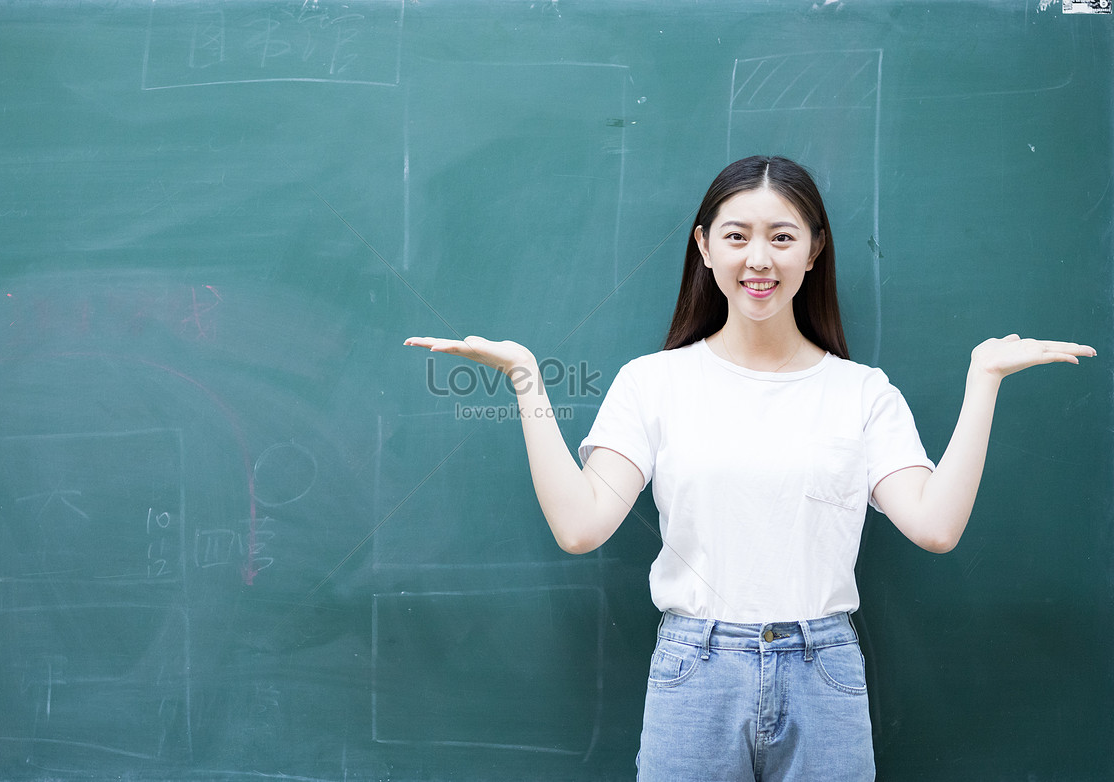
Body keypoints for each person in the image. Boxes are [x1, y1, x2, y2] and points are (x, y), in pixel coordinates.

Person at [403, 155, 1095, 780]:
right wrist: (527, 380)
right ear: (704, 248)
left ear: (815, 252)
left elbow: (935, 527)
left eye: (782, 237)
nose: (758, 258)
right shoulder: (653, 383)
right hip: (694, 671)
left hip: (824, 673)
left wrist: (984, 381)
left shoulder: (863, 393)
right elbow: (581, 527)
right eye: (735, 236)